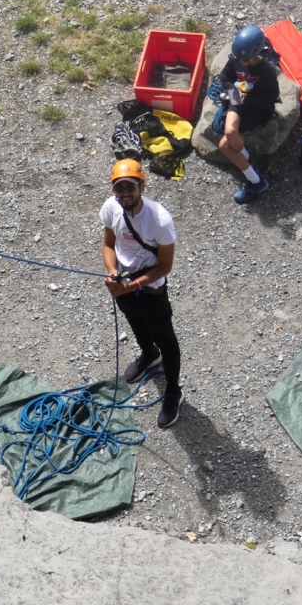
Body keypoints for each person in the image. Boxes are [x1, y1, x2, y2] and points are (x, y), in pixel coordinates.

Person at [101, 159, 184, 429]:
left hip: (150, 284)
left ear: (142, 186)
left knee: (165, 337)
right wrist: (113, 271)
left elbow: (165, 266)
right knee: (135, 320)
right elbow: (108, 244)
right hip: (123, 279)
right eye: (119, 187)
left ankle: (173, 393)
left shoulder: (159, 220)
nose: (125, 193)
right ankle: (149, 354)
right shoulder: (111, 208)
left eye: (130, 187)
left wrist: (132, 285)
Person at [216, 25, 279, 204]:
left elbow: (270, 98)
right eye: (239, 58)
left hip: (255, 109)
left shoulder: (267, 71)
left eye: (245, 59)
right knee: (229, 134)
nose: (240, 62)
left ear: (256, 53)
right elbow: (225, 77)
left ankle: (256, 181)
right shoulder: (236, 59)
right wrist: (235, 95)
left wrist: (248, 100)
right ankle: (246, 158)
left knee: (225, 146)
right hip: (237, 99)